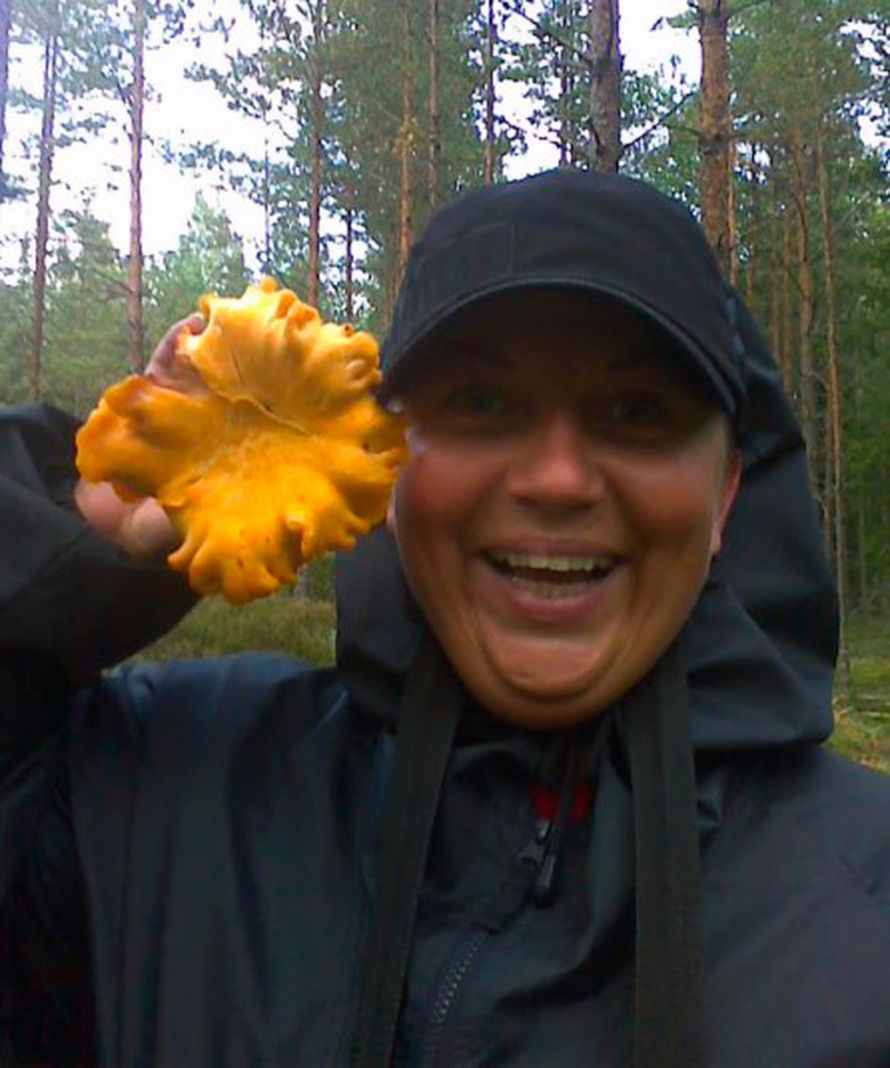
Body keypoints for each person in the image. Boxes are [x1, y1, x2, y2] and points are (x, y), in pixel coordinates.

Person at [0, 169, 887, 1068]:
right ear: (384, 468)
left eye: (635, 412)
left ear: (726, 493)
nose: (557, 480)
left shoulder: (867, 894)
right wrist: (85, 526)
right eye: (482, 402)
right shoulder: (163, 786)